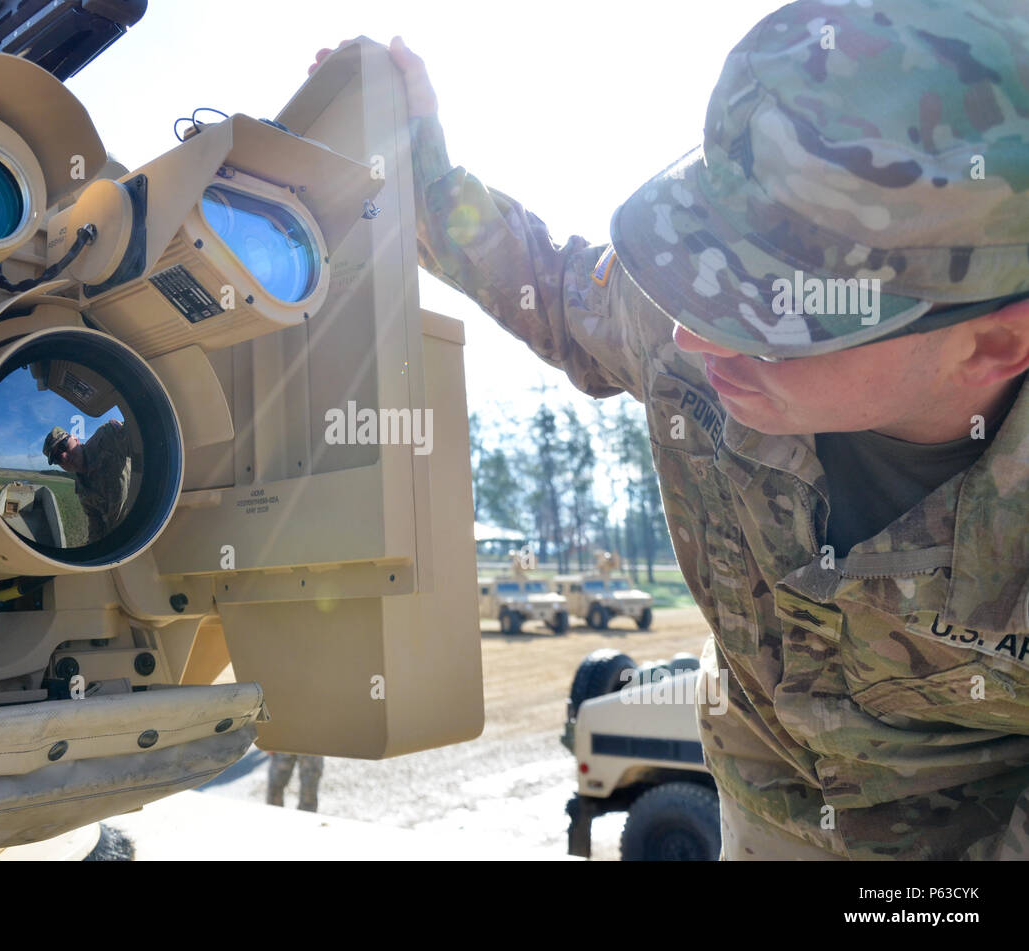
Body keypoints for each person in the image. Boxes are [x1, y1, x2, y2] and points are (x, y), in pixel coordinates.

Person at [313, 0, 1029, 859]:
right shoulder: (690, 336)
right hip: (760, 813)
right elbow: (547, 282)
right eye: (702, 270)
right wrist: (414, 165)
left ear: (994, 341)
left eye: (772, 310)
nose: (692, 333)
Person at [43, 420, 133, 541]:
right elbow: (96, 522)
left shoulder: (107, 437)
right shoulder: (82, 490)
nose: (63, 457)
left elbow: (140, 432)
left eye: (63, 445)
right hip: (123, 542)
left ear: (75, 439)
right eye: (56, 458)